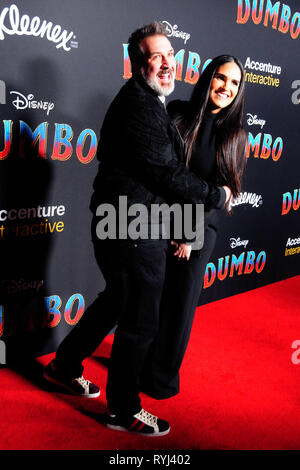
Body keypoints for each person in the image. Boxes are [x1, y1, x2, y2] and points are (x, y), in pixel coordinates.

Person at [43, 23, 231, 436]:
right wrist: (215, 196)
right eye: (154, 56)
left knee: (115, 301)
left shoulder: (150, 101)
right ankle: (123, 409)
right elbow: (164, 173)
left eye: (169, 54)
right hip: (130, 226)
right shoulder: (140, 106)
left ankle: (64, 365)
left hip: (130, 221)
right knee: (141, 320)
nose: (166, 62)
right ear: (136, 63)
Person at [140, 55, 248, 400]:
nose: (226, 88)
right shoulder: (178, 113)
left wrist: (187, 233)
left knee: (178, 307)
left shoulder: (235, 135)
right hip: (158, 221)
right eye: (221, 78)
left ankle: (160, 381)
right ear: (208, 78)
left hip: (197, 233)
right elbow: (161, 171)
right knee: (150, 300)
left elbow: (222, 192)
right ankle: (137, 364)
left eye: (234, 84)